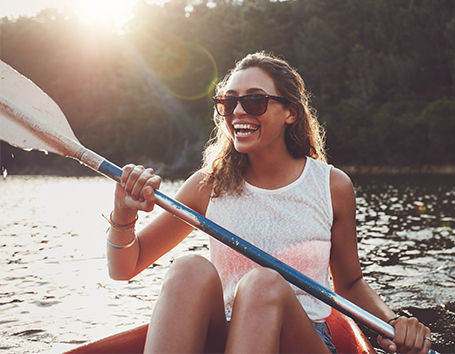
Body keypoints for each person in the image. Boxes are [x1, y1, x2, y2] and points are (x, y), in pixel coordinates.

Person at [105, 52, 433, 354]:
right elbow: (125, 268)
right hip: (225, 339)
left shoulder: (331, 186)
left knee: (264, 283)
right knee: (188, 267)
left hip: (304, 339)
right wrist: (124, 213)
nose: (238, 112)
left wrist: (393, 323)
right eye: (228, 102)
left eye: (254, 100)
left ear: (290, 112)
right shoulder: (209, 185)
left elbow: (349, 283)